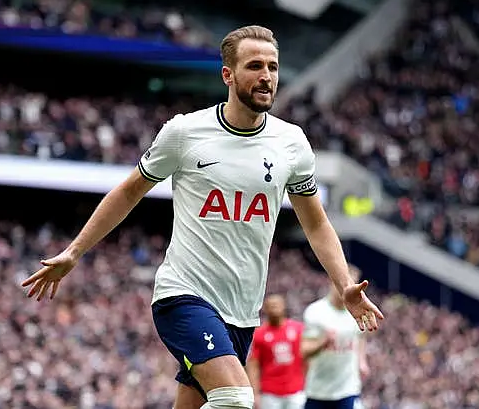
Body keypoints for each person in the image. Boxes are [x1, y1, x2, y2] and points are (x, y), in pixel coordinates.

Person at [21, 25, 384, 409]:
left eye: (273, 67)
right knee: (236, 397)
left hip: (242, 312)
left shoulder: (292, 143)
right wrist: (75, 252)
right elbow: (129, 191)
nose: (266, 76)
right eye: (255, 66)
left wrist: (343, 283)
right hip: (184, 295)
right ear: (228, 75)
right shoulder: (185, 132)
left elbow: (315, 222)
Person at [301, 265, 371, 409]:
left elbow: (360, 336)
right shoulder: (316, 312)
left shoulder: (357, 312)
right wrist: (323, 342)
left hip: (348, 389)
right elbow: (304, 351)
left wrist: (362, 361)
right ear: (332, 281)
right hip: (318, 390)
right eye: (345, 284)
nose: (350, 290)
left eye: (354, 285)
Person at [247, 294, 306, 409]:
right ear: (265, 309)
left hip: (296, 391)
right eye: (270, 305)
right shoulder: (259, 334)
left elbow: (306, 358)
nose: (274, 307)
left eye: (277, 304)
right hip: (270, 392)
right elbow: (253, 365)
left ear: (284, 306)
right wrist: (255, 393)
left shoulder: (298, 329)